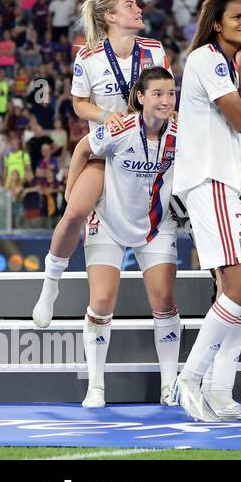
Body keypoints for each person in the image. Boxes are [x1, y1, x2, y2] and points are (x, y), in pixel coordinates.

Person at [33, 0, 169, 329]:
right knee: (76, 210)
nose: (139, 9)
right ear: (109, 16)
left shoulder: (154, 50)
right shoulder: (89, 56)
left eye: (138, 5)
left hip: (148, 151)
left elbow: (165, 94)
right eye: (130, 6)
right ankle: (50, 285)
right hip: (106, 150)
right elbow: (79, 103)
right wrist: (106, 114)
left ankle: (224, 293)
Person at [170, 0, 241, 422]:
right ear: (217, 23)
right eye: (239, 16)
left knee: (236, 291)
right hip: (210, 183)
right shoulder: (207, 59)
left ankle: (220, 395)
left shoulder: (227, 63)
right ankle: (189, 383)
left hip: (222, 184)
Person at [77, 67, 180, 408]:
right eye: (158, 94)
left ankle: (169, 386)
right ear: (140, 97)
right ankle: (95, 387)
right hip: (108, 219)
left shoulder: (183, 132)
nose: (166, 100)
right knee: (102, 301)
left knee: (164, 300)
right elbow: (81, 150)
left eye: (170, 93)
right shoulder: (119, 129)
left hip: (156, 223)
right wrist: (72, 199)